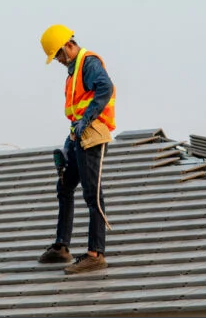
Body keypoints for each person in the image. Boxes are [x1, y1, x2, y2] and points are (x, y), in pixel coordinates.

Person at [38, 24, 116, 275]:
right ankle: (62, 246)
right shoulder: (73, 72)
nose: (59, 61)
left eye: (59, 55)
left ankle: (96, 253)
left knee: (92, 194)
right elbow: (75, 112)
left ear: (68, 46)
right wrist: (68, 143)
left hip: (92, 133)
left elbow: (106, 88)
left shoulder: (88, 63)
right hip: (78, 134)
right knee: (65, 185)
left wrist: (88, 119)